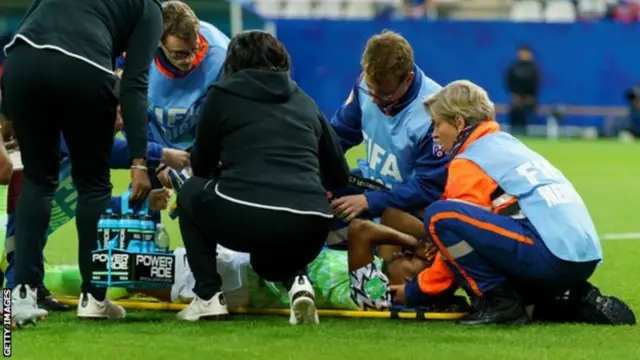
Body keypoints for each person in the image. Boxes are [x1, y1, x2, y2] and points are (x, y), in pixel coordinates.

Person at [399, 80, 634, 325]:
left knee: (440, 218)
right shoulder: (510, 145)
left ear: (459, 123)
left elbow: (456, 240)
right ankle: (571, 301)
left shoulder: (469, 161)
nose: (435, 133)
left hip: (549, 257)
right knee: (486, 243)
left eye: (437, 124)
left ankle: (499, 304)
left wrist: (415, 292)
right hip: (583, 257)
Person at [2, 0, 162, 327]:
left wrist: (6, 111)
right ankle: (94, 297)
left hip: (21, 65)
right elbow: (134, 84)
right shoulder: (149, 8)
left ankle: (21, 294)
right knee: (94, 186)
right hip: (84, 69)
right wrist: (139, 160)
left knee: (37, 179)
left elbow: (26, 31)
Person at [176, 30, 349, 324]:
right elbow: (339, 173)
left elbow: (200, 166)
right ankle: (299, 284)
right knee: (266, 260)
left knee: (191, 193)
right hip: (311, 224)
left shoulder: (222, 95)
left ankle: (207, 297)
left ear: (233, 64)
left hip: (247, 215)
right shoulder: (305, 101)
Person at [115, 0, 229, 221]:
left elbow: (226, 117)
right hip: (153, 141)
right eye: (179, 54)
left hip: (202, 146)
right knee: (138, 206)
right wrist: (155, 160)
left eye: (193, 50)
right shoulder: (134, 51)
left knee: (207, 214)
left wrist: (197, 161)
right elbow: (127, 112)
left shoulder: (222, 56)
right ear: (159, 43)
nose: (188, 60)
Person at [329, 30, 448, 224]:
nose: (374, 100)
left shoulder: (436, 111)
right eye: (370, 89)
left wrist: (370, 201)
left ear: (408, 79)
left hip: (413, 205)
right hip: (373, 185)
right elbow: (337, 136)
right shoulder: (365, 85)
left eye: (384, 94)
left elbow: (428, 187)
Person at [505, 45, 540, 136]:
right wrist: (515, 96)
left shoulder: (534, 69)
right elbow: (509, 82)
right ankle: (513, 134)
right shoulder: (514, 68)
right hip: (516, 99)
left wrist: (530, 97)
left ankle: (526, 134)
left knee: (526, 113)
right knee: (515, 112)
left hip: (530, 99)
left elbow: (536, 84)